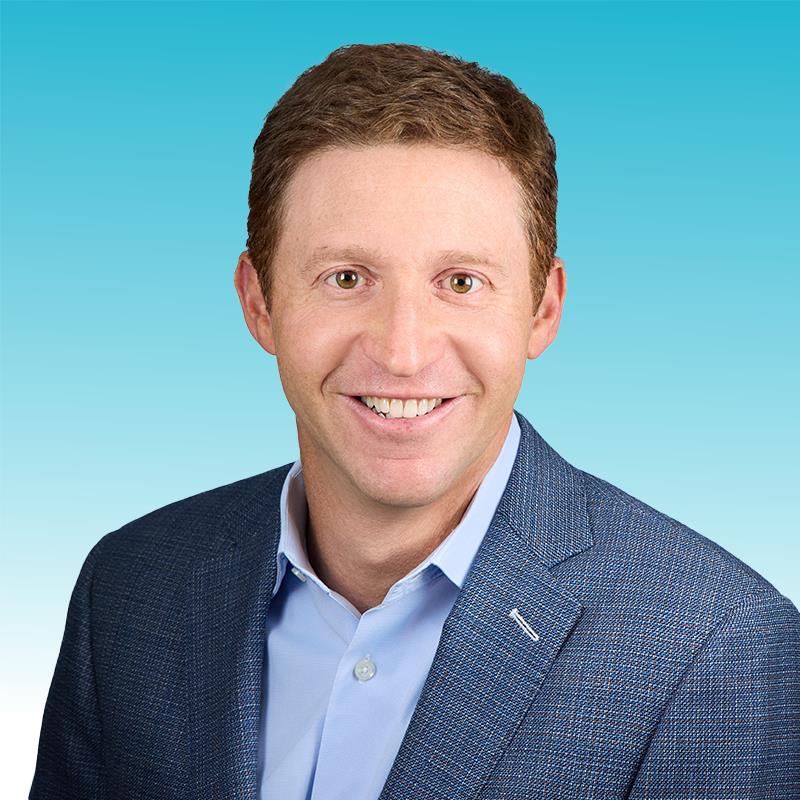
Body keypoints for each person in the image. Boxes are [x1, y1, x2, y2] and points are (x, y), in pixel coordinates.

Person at [30, 43, 799, 800]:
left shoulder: (717, 649)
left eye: (460, 282)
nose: (402, 353)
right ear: (259, 303)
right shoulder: (130, 586)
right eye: (346, 278)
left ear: (543, 309)